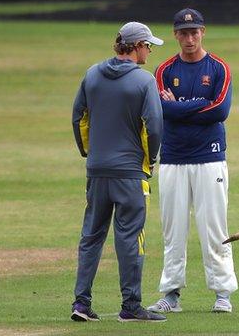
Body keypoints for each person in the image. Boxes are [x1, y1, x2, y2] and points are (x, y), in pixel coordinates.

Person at [71, 22, 165, 323]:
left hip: (97, 171)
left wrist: (90, 153)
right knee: (130, 238)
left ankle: (81, 304)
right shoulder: (144, 81)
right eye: (147, 45)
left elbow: (78, 118)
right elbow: (154, 127)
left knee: (91, 236)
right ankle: (131, 306)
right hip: (129, 175)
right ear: (136, 46)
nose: (149, 50)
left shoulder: (92, 74)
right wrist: (149, 163)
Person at [147, 8, 238, 314]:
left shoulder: (219, 68)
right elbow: (161, 111)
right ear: (175, 35)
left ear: (203, 32)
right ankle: (171, 293)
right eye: (183, 33)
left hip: (209, 156)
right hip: (173, 157)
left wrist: (179, 108)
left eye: (194, 32)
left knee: (214, 227)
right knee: (173, 229)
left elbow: (219, 111)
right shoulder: (163, 71)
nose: (189, 38)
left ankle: (223, 293)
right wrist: (198, 105)